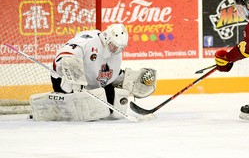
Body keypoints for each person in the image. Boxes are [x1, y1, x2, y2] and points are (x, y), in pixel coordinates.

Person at [29, 23, 157, 121]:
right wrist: (72, 73)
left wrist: (129, 80)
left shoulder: (115, 53)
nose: (116, 50)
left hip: (91, 86)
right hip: (65, 80)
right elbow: (63, 57)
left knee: (114, 110)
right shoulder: (88, 40)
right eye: (114, 45)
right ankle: (51, 106)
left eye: (120, 48)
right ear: (107, 37)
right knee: (70, 90)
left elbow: (110, 75)